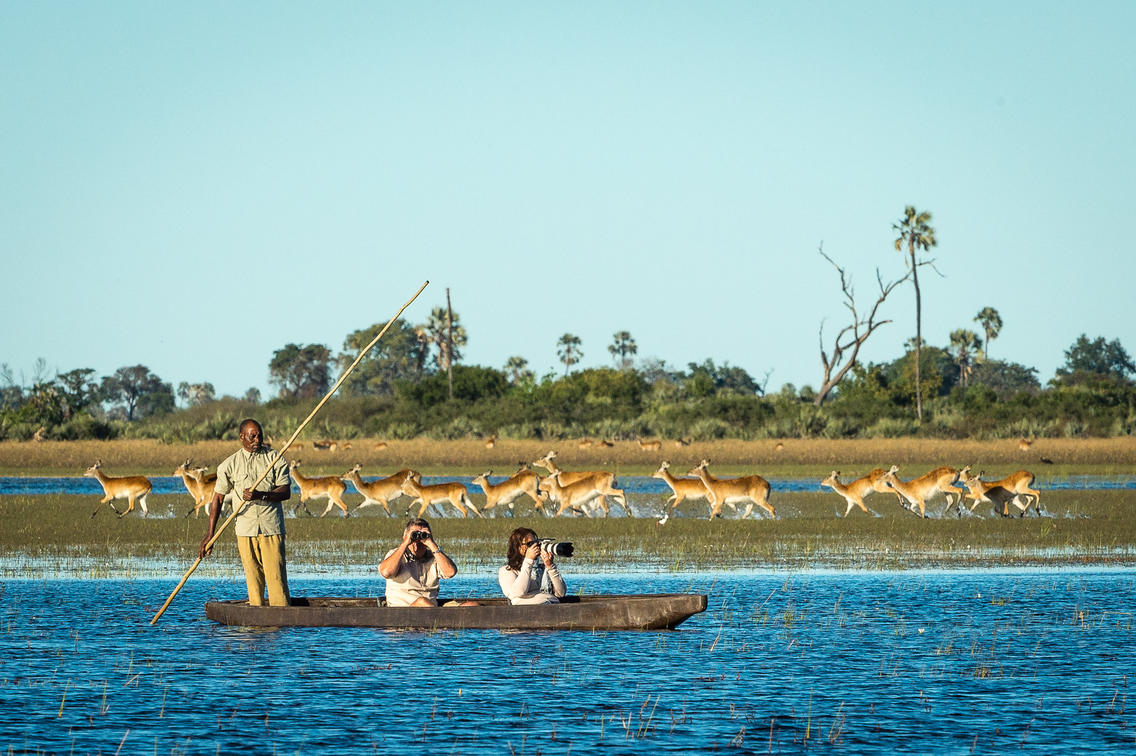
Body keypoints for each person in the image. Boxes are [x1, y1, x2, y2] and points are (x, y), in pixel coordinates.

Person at [199, 419, 292, 607]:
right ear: (242, 437)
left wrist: (260, 495)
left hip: (271, 528)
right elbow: (218, 499)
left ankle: (281, 617)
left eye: (260, 436)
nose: (257, 440)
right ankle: (256, 615)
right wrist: (210, 535)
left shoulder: (274, 458)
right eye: (252, 436)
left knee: (276, 579)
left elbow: (285, 492)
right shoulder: (229, 464)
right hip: (245, 530)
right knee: (253, 579)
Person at [379, 518, 463, 607]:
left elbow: (450, 572)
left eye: (423, 535)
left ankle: (440, 615)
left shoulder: (435, 556)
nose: (418, 539)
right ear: (405, 536)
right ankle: (439, 615)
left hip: (432, 608)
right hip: (403, 610)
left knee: (470, 605)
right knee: (422, 602)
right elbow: (386, 573)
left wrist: (431, 543)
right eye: (414, 534)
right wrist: (405, 543)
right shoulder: (396, 555)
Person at [498, 527, 567, 605]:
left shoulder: (542, 569)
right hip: (527, 610)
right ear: (518, 547)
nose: (535, 546)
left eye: (536, 543)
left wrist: (550, 566)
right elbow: (518, 592)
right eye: (530, 544)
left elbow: (561, 593)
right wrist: (528, 560)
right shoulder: (507, 571)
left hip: (552, 606)